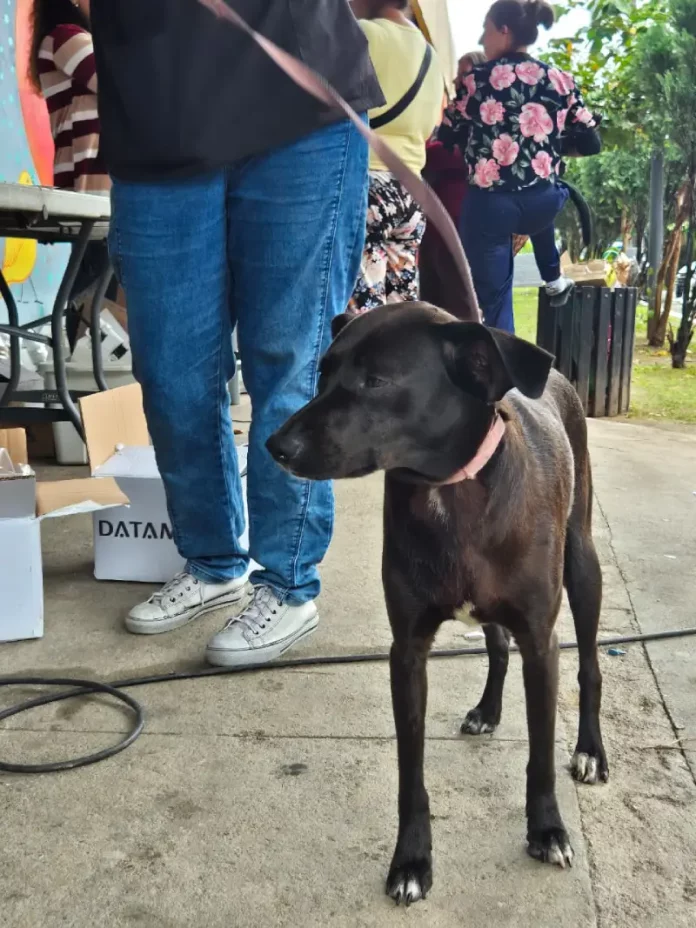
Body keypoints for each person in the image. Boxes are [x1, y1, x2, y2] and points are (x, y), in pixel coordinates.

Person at [88, 1, 382, 666]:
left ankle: (288, 581)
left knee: (290, 359)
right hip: (157, 115)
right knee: (171, 371)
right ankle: (214, 560)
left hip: (298, 98)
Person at [439, 0, 601, 332]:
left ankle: (502, 373)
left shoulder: (475, 80)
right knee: (547, 191)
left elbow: (447, 133)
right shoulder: (559, 79)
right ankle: (552, 274)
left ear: (504, 29)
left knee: (494, 300)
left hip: (490, 207)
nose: (482, 40)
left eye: (485, 30)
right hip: (542, 204)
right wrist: (547, 143)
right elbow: (590, 142)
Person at [347, 0, 443, 313]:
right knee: (402, 310)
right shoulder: (431, 54)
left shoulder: (360, 35)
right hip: (412, 190)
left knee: (361, 313)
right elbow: (430, 126)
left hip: (368, 185)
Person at [29, 0, 117, 341]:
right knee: (94, 278)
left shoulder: (73, 37)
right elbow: (116, 81)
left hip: (97, 182)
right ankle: (75, 361)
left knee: (98, 277)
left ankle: (80, 361)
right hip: (90, 183)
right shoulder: (66, 37)